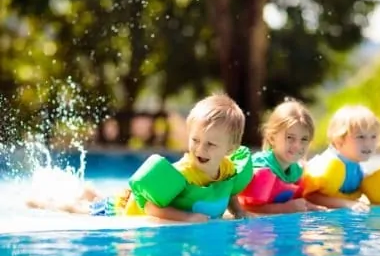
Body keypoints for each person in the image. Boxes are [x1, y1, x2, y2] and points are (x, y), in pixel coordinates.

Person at [27, 94, 254, 223]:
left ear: (230, 148)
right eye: (195, 140)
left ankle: (90, 192)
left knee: (98, 199)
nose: (200, 149)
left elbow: (229, 190)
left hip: (130, 199)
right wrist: (186, 217)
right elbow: (151, 208)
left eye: (211, 144)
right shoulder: (182, 173)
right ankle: (46, 202)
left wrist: (238, 212)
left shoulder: (227, 169)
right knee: (84, 210)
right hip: (126, 207)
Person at [303, 105, 380, 212]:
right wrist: (347, 204)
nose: (368, 143)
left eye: (373, 137)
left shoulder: (359, 170)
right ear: (339, 139)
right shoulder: (327, 165)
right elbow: (310, 197)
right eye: (360, 137)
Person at [238, 99, 326, 214]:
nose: (297, 146)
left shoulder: (295, 171)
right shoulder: (261, 169)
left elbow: (295, 202)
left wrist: (311, 206)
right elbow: (245, 208)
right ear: (272, 138)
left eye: (304, 139)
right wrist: (284, 208)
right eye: (290, 137)